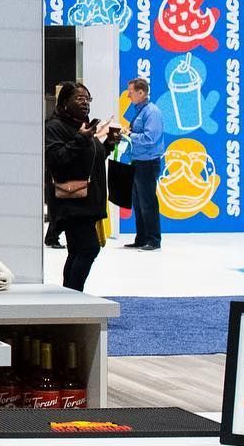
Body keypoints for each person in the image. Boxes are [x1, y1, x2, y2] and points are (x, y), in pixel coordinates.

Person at [44, 82, 117, 292]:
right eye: (79, 98)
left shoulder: (82, 126)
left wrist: (109, 143)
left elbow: (95, 157)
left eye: (88, 99)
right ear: (65, 102)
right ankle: (74, 295)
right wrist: (80, 139)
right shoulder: (55, 127)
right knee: (89, 248)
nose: (85, 103)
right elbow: (56, 159)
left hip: (88, 201)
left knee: (77, 251)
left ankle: (69, 294)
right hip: (71, 202)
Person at [122, 75, 164, 250]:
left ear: (141, 92)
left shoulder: (152, 112)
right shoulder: (140, 110)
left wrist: (129, 135)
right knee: (138, 202)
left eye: (131, 92)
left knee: (148, 202)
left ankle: (153, 240)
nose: (128, 96)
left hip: (147, 163)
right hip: (138, 161)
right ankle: (141, 237)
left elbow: (150, 137)